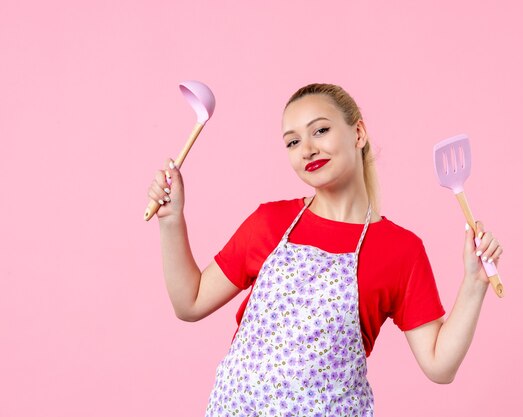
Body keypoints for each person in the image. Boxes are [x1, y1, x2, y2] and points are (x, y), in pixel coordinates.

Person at [147, 83, 503, 416]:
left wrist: (474, 283)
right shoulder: (268, 222)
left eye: (320, 130)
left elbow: (439, 366)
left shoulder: (400, 250)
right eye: (292, 142)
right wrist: (171, 219)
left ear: (358, 133)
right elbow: (189, 302)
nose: (307, 149)